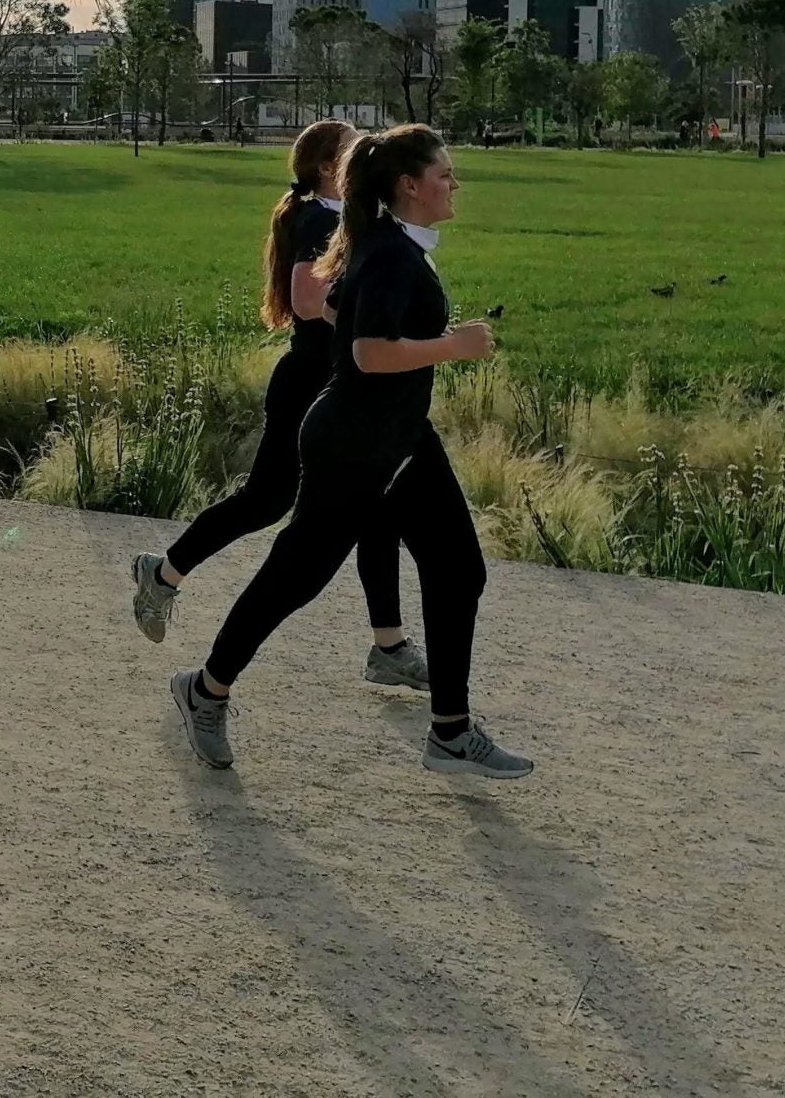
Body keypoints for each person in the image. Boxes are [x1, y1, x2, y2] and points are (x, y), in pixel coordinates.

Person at [168, 123, 533, 780]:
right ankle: (205, 690)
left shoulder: (388, 243)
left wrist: (415, 331)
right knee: (297, 575)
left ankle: (449, 731)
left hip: (399, 440)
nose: (455, 184)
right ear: (409, 186)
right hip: (357, 442)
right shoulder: (392, 252)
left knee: (457, 571)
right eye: (446, 174)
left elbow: (344, 307)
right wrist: (453, 346)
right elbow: (368, 351)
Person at [129, 120, 427, 692]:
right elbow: (305, 300)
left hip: (338, 385)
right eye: (350, 150)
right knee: (266, 501)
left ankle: (387, 644)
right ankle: (161, 574)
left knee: (374, 510)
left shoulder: (346, 219)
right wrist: (366, 321)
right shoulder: (319, 219)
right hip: (311, 385)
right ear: (324, 168)